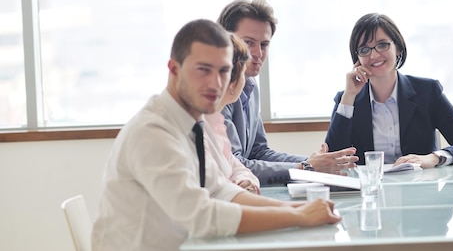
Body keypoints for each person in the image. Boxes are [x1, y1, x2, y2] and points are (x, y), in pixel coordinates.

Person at [91, 19, 340, 251]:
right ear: (173, 69)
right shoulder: (153, 132)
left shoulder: (190, 123)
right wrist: (298, 216)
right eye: (203, 69)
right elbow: (202, 217)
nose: (216, 83)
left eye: (223, 71)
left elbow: (222, 191)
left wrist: (300, 207)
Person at [218, 0, 358, 185]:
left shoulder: (250, 86)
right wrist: (306, 167)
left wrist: (312, 162)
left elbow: (259, 152)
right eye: (248, 42)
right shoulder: (216, 93)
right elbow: (236, 165)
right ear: (226, 40)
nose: (258, 53)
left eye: (264, 44)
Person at [325, 13, 453, 168]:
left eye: (382, 45)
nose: (374, 55)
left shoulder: (427, 92)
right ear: (358, 57)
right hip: (369, 190)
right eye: (364, 49)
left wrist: (433, 158)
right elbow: (330, 159)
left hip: (420, 189)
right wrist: (349, 96)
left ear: (398, 48)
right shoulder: (347, 99)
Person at [203, 33, 260, 194]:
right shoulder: (197, 127)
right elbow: (216, 189)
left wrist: (245, 180)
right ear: (232, 83)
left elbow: (237, 166)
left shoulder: (215, 122)